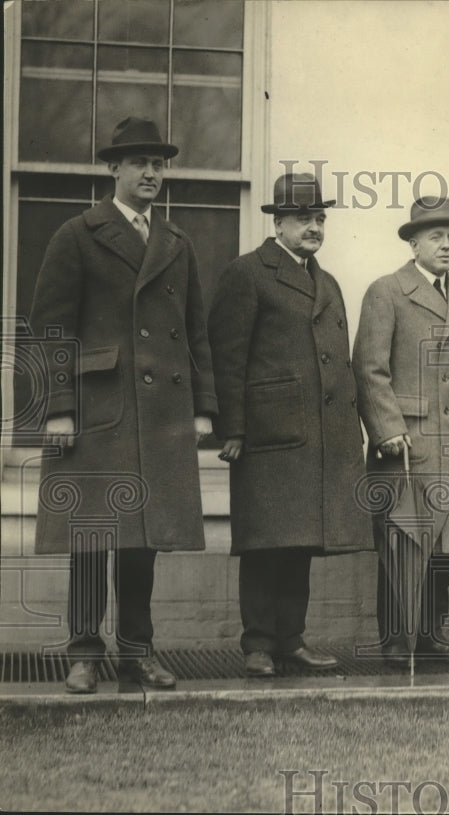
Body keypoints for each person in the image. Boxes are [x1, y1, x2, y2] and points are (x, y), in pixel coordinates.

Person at [29, 116, 216, 693]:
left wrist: (204, 407)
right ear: (113, 168)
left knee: (143, 542)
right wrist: (58, 408)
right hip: (97, 413)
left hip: (160, 419)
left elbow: (196, 333)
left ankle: (137, 651)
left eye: (159, 164)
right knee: (92, 535)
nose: (151, 173)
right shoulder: (78, 234)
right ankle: (83, 652)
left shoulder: (176, 244)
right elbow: (50, 328)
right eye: (139, 163)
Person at [208, 172, 374, 678]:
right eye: (304, 218)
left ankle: (291, 640)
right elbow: (227, 357)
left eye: (320, 218)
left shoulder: (328, 281)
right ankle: (258, 643)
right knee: (265, 541)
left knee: (300, 541)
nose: (314, 226)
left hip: (319, 436)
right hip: (268, 434)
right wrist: (232, 429)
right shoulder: (248, 273)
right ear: (278, 222)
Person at [353, 197, 449, 663]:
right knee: (402, 542)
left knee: (446, 546)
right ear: (413, 242)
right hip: (406, 444)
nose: (446, 245)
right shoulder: (387, 290)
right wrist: (386, 429)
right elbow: (369, 368)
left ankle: (433, 635)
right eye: (436, 236)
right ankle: (395, 640)